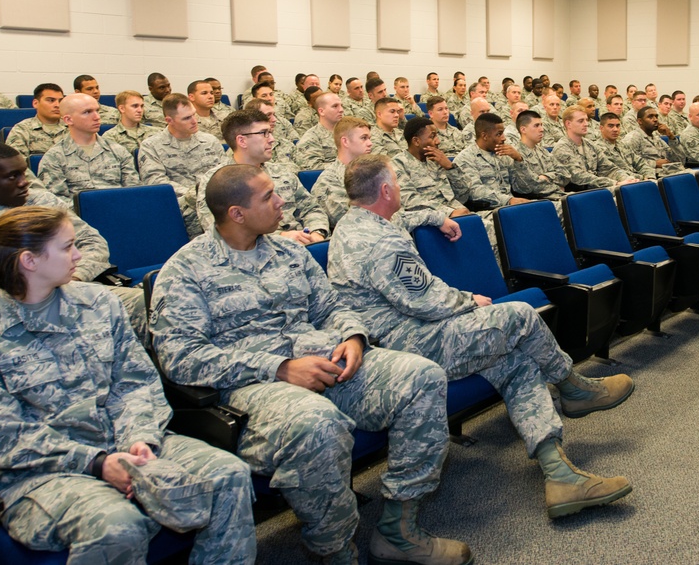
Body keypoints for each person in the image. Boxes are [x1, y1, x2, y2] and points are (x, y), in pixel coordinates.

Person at [151, 163, 472, 565]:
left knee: (421, 377)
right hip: (252, 387)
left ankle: (398, 528)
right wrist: (280, 367)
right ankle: (336, 552)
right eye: (268, 197)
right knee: (317, 424)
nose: (282, 201)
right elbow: (182, 357)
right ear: (236, 213)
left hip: (326, 361)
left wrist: (353, 335)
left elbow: (331, 307)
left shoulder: (288, 251)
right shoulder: (185, 270)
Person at [328, 154, 635, 519]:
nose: (400, 187)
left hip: (410, 332)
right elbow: (427, 300)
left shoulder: (360, 222)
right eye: (396, 181)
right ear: (385, 189)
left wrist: (436, 217)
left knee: (517, 360)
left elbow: (404, 218)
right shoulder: (378, 243)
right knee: (520, 315)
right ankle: (572, 386)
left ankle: (560, 474)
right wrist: (469, 301)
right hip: (404, 345)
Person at [0, 205, 256, 563]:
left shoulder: (100, 303)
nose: (80, 255)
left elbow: (136, 383)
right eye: (68, 247)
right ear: (29, 260)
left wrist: (139, 438)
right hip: (39, 475)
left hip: (126, 439)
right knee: (117, 524)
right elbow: (1, 438)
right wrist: (97, 462)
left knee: (229, 474)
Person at [0, 141, 148, 337]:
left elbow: (93, 242)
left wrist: (71, 277)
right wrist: (23, 286)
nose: (24, 182)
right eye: (12, 176)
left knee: (147, 305)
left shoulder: (43, 201)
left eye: (24, 173)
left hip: (70, 289)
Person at [195, 109, 328, 242]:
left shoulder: (282, 172)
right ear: (242, 141)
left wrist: (316, 233)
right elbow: (219, 230)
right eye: (264, 133)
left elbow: (311, 208)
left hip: (303, 244)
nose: (272, 139)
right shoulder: (216, 181)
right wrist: (281, 237)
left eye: (270, 132)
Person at [137, 93, 225, 237]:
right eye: (186, 118)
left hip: (214, 201)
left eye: (194, 114)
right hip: (180, 207)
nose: (194, 121)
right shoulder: (151, 146)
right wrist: (195, 193)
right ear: (169, 120)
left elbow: (224, 173)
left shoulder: (210, 141)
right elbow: (155, 181)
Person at [37, 93, 140, 204]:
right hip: (77, 217)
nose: (97, 117)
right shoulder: (54, 157)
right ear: (68, 120)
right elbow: (55, 201)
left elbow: (133, 192)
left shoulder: (118, 151)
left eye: (97, 111)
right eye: (87, 112)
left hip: (118, 212)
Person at [451, 113, 532, 210]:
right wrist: (508, 200)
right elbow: (475, 191)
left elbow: (525, 188)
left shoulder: (503, 153)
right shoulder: (465, 158)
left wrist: (518, 160)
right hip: (489, 210)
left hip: (512, 206)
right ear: (484, 136)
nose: (504, 138)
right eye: (499, 134)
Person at [6, 83, 67, 157]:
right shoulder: (22, 129)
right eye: (51, 100)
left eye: (60, 101)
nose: (57, 105)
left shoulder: (73, 127)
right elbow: (16, 163)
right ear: (36, 103)